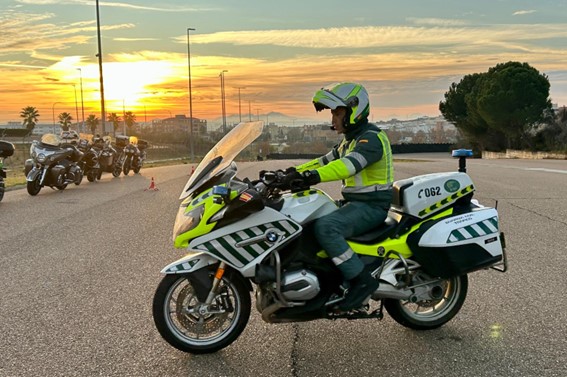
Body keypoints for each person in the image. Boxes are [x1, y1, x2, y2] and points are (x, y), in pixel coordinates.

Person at [282, 82, 394, 311]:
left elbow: (347, 166)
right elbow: (324, 161)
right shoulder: (350, 140)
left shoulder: (371, 139)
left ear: (355, 110)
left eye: (338, 112)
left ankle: (361, 281)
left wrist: (313, 176)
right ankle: (327, 280)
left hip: (371, 207)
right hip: (355, 203)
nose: (333, 118)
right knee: (307, 220)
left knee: (327, 228)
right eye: (333, 112)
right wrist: (290, 174)